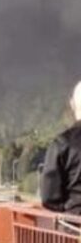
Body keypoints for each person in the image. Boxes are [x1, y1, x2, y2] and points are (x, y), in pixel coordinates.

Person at [40, 80, 81, 214]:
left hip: (73, 228)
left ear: (72, 104)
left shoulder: (62, 143)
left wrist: (68, 208)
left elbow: (49, 198)